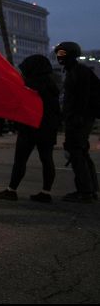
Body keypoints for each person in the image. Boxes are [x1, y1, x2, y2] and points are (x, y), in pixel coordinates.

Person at [0, 54, 61, 203]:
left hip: (29, 129)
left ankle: (12, 190)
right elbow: (56, 111)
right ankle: (46, 192)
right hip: (47, 129)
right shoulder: (52, 86)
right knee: (47, 160)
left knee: (20, 160)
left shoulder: (28, 85)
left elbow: (19, 104)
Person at [54, 42, 98, 203]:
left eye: (63, 53)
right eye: (58, 53)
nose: (59, 57)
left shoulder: (79, 72)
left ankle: (85, 191)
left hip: (79, 119)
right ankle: (90, 189)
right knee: (81, 152)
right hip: (78, 118)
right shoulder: (74, 71)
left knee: (76, 152)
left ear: (72, 54)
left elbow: (82, 98)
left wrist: (76, 118)